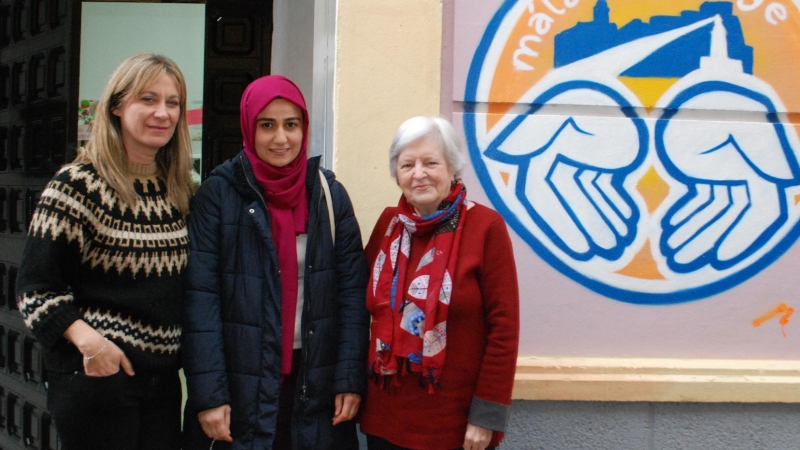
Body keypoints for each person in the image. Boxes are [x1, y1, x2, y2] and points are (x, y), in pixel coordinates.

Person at [15, 53, 195, 450]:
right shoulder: (77, 186)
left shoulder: (180, 190)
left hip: (163, 385)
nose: (162, 113)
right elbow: (35, 290)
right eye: (147, 99)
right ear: (116, 106)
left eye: (172, 102)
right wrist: (94, 346)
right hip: (98, 381)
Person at [182, 74, 369, 450]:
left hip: (314, 383)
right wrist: (210, 393)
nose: (281, 138)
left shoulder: (328, 195)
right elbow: (200, 299)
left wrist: (349, 377)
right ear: (249, 128)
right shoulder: (218, 195)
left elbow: (352, 295)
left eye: (291, 125)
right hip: (240, 384)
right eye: (267, 125)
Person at [359, 116, 520, 450]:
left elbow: (504, 330)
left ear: (453, 168)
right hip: (385, 417)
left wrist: (486, 416)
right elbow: (357, 309)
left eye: (431, 162)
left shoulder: (486, 227)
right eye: (407, 164)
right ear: (397, 173)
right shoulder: (388, 226)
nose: (419, 173)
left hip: (456, 425)